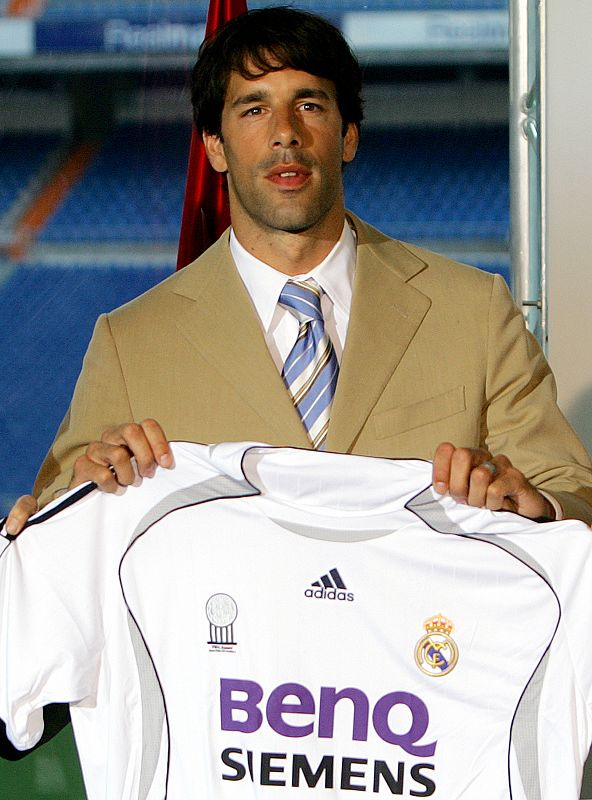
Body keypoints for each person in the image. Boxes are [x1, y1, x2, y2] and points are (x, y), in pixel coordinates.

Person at [5, 6, 592, 535]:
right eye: (254, 108)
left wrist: (535, 505)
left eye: (309, 104)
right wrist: (77, 492)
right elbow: (60, 515)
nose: (285, 132)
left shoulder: (475, 310)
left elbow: (573, 492)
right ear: (214, 146)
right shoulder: (129, 343)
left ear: (348, 136)